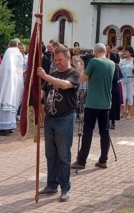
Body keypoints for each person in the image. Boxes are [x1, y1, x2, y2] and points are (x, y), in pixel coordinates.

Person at [37, 46, 80, 202]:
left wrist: (46, 76)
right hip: (50, 118)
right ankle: (51, 184)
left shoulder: (73, 73)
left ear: (68, 58)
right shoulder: (52, 74)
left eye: (60, 60)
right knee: (50, 154)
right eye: (55, 60)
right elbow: (43, 93)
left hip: (65, 118)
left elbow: (64, 85)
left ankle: (65, 187)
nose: (57, 63)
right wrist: (36, 96)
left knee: (63, 155)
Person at [72, 43, 115, 170]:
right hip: (106, 102)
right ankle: (103, 159)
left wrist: (83, 66)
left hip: (92, 103)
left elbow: (82, 79)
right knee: (105, 132)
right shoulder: (111, 63)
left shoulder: (94, 62)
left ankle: (81, 161)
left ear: (96, 52)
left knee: (88, 132)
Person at [0, 39, 24, 136]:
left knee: (4, 102)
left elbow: (6, 67)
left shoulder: (9, 51)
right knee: (11, 102)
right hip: (16, 82)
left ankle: (3, 127)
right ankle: (9, 126)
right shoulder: (19, 53)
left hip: (6, 81)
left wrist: (1, 76)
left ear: (9, 45)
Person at [109, 52, 122, 130]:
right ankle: (108, 120)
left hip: (113, 88)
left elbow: (117, 77)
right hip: (110, 87)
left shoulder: (115, 66)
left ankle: (112, 121)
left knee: (113, 105)